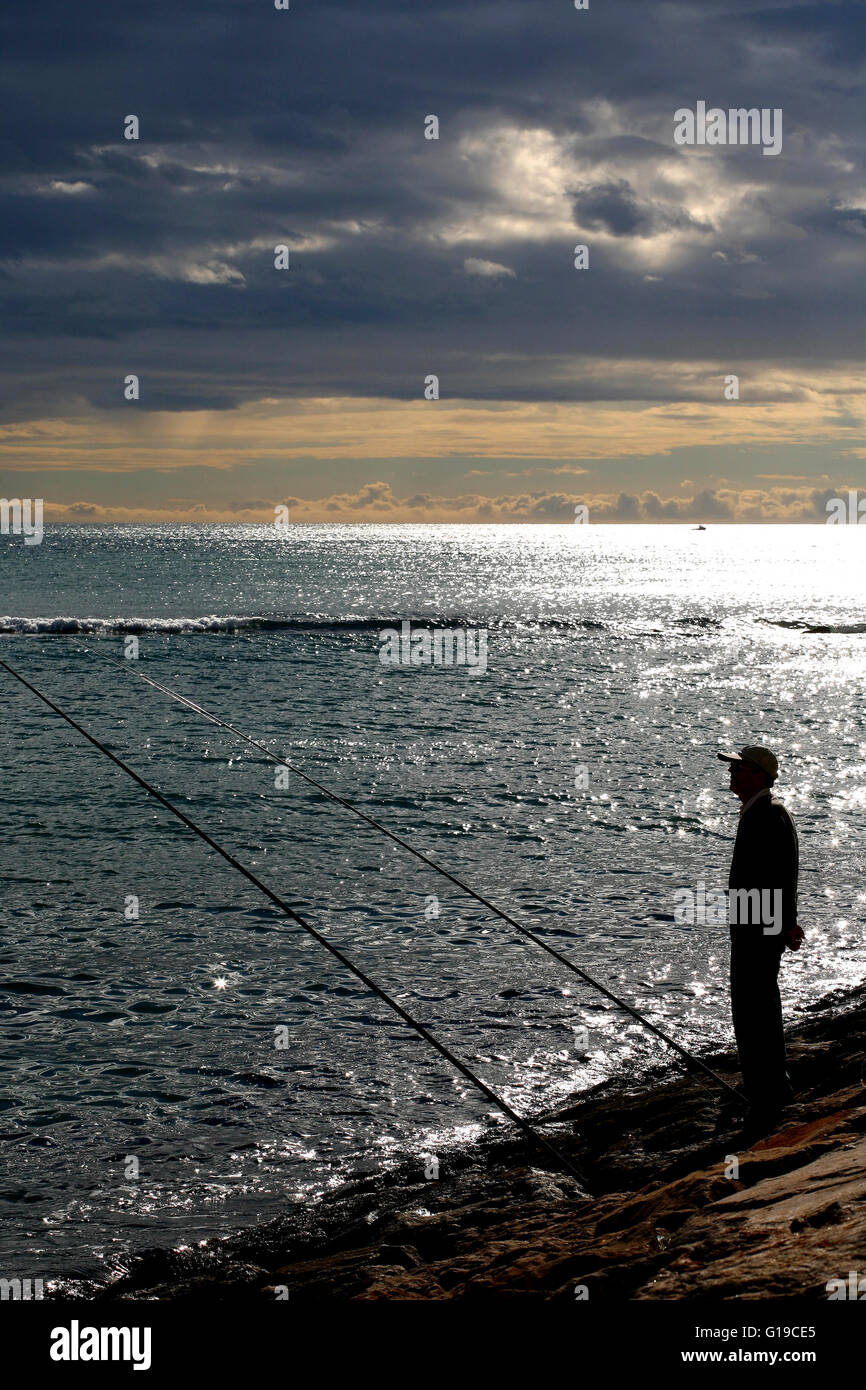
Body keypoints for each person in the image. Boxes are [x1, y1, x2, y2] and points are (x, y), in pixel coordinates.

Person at [717, 745, 803, 1133]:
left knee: (754, 1010)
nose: (732, 773)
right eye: (733, 767)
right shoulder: (758, 813)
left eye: (740, 768)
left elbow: (781, 874)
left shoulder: (769, 815)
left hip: (758, 929)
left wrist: (784, 924)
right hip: (757, 926)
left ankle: (766, 1095)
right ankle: (767, 1089)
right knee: (756, 1007)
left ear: (761, 775)